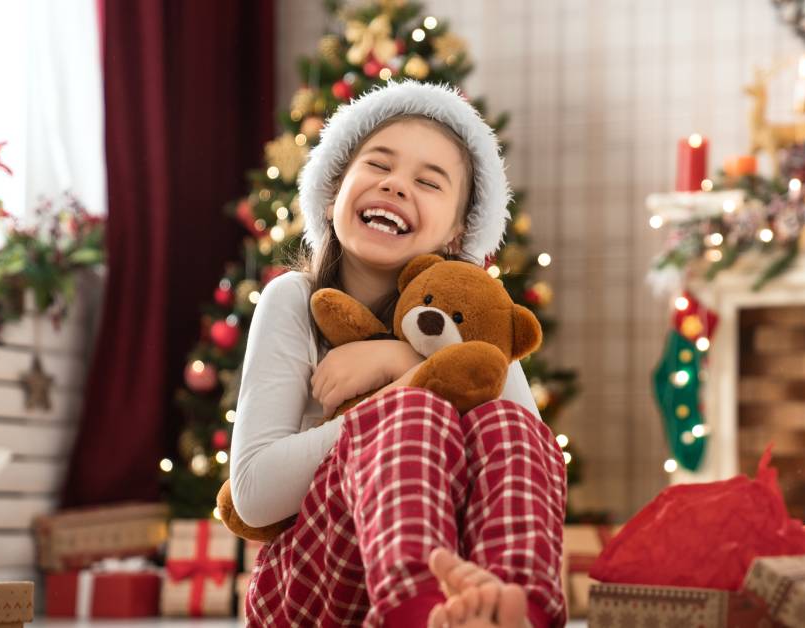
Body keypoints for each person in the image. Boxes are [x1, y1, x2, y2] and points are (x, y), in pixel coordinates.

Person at [230, 80, 567, 627]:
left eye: (428, 182)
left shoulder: (471, 319)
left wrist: (402, 363)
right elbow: (253, 494)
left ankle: (512, 608)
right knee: (414, 413)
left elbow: (526, 458)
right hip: (312, 589)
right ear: (335, 187)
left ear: (459, 235)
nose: (394, 186)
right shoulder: (292, 299)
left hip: (458, 577)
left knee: (507, 422)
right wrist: (406, 394)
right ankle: (418, 610)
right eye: (378, 165)